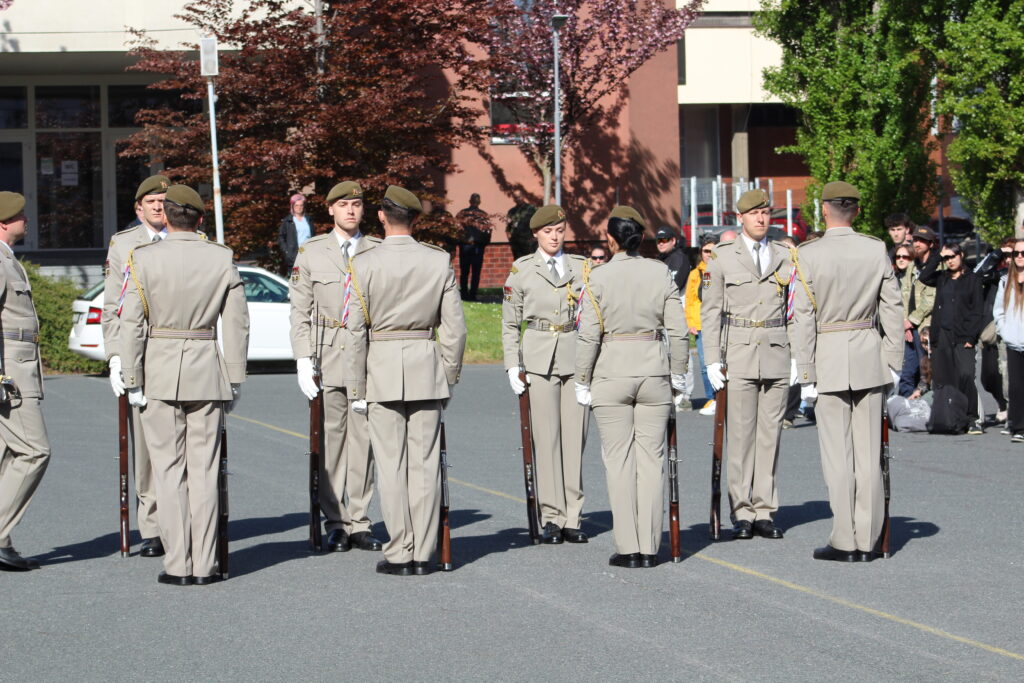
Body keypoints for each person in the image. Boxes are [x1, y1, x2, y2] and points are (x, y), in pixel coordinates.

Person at [121, 184, 250, 585]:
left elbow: (131, 323)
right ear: (200, 218)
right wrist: (234, 376)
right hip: (206, 368)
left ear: (167, 215)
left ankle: (178, 564)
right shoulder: (221, 257)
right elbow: (237, 322)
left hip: (158, 369)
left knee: (167, 471)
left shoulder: (143, 258)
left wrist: (131, 376)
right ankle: (205, 564)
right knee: (204, 471)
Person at [346, 185, 467, 576]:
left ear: (381, 217)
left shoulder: (363, 263)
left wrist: (356, 386)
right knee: (425, 465)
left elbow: (355, 331)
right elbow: (455, 329)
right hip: (425, 365)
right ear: (415, 219)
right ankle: (423, 551)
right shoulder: (437, 260)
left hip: (381, 366)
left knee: (390, 466)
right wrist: (447, 375)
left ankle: (400, 550)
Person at [792, 181, 903, 562]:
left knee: (837, 456)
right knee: (869, 454)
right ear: (855, 211)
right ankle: (869, 539)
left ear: (824, 210)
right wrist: (893, 359)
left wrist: (805, 371)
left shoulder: (809, 253)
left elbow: (803, 317)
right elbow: (892, 308)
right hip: (869, 353)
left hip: (828, 356)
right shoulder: (874, 249)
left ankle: (845, 538)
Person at [574, 205, 688, 569]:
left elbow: (589, 335)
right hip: (653, 369)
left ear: (611, 239)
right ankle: (650, 546)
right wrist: (679, 373)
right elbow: (679, 330)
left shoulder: (598, 276)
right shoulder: (659, 271)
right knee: (651, 460)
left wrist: (581, 379)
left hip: (612, 370)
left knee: (618, 460)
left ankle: (628, 546)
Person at [288, 181, 384, 553]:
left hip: (367, 357)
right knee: (329, 443)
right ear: (330, 209)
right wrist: (302, 358)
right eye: (343, 204)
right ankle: (335, 521)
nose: (350, 210)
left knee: (364, 442)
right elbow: (300, 311)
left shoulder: (378, 249)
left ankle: (360, 520)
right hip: (326, 354)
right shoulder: (312, 252)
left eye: (356, 204)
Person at [701, 189, 795, 541]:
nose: (761, 218)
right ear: (740, 218)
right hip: (738, 352)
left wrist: (798, 355)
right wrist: (712, 359)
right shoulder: (723, 256)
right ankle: (741, 510)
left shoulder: (784, 255)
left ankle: (764, 509)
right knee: (740, 436)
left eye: (765, 212)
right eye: (754, 213)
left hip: (776, 350)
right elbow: (711, 312)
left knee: (770, 436)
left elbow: (795, 309)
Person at [502, 204, 590, 544]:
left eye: (559, 231)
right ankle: (552, 516)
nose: (554, 237)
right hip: (539, 359)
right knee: (547, 438)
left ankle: (573, 516)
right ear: (536, 234)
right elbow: (510, 324)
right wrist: (513, 364)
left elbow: (594, 317)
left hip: (575, 355)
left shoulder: (582, 267)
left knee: (574, 438)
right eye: (548, 231)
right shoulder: (522, 270)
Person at [101, 174, 169, 558]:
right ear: (138, 209)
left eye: (164, 200)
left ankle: (183, 520)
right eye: (152, 201)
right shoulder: (124, 244)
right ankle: (153, 527)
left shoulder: (188, 239)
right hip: (140, 353)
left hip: (178, 350)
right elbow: (114, 304)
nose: (159, 206)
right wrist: (116, 356)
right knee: (144, 448)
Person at [0, 192, 50, 571]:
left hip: (17, 366)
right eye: (20, 216)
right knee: (34, 451)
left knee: (6, 456)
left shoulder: (7, 258)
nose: (26, 221)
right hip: (10, 372)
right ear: (4, 222)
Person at [919, 242, 985, 434]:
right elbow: (924, 276)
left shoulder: (972, 279)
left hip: (963, 335)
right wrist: (938, 257)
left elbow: (977, 310)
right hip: (942, 335)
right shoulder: (942, 278)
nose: (950, 261)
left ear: (961, 255)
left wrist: (971, 336)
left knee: (965, 374)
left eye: (953, 256)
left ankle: (972, 418)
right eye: (947, 258)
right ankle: (949, 417)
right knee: (943, 378)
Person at [975, 238, 1012, 425]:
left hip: (1014, 330)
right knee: (988, 376)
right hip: (991, 329)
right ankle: (1002, 403)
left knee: (1010, 373)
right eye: (1008, 254)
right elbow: (977, 275)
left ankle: (1012, 408)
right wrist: (997, 254)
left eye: (1015, 254)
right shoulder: (995, 274)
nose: (1011, 258)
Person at [893, 243, 934, 397]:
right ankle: (907, 406)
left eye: (905, 257)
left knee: (925, 372)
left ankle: (924, 404)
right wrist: (904, 325)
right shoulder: (896, 278)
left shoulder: (918, 276)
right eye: (898, 256)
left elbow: (927, 301)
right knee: (907, 374)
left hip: (920, 327)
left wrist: (910, 322)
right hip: (905, 328)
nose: (901, 259)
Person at [993, 239, 1024, 443]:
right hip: (1013, 342)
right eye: (1016, 253)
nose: (1019, 257)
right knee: (1015, 388)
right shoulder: (1005, 281)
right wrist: (1005, 332)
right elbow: (999, 310)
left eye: (1023, 253)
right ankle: (1019, 426)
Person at [683, 237, 717, 415]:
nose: (709, 254)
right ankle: (711, 398)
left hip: (719, 322)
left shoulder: (722, 270)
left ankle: (724, 398)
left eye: (712, 251)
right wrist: (690, 322)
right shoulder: (695, 274)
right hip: (701, 324)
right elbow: (689, 300)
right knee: (705, 364)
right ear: (701, 253)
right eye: (706, 251)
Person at [456, 193, 492, 301]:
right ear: (479, 202)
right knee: (476, 272)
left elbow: (457, 229)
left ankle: (464, 294)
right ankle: (473, 295)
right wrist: (484, 244)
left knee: (464, 272)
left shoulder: (462, 213)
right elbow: (488, 232)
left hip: (465, 246)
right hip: (478, 246)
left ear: (470, 201)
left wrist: (460, 242)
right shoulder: (483, 215)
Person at [278, 193, 314, 270]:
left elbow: (313, 236)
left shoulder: (308, 219)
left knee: (308, 275)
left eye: (301, 205)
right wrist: (287, 251)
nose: (299, 208)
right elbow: (281, 237)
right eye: (296, 205)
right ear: (292, 207)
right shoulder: (288, 221)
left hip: (308, 253)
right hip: (294, 255)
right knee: (296, 276)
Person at [653, 226, 688, 292]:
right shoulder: (659, 260)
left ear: (673, 241)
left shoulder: (679, 259)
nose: (661, 243)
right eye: (658, 240)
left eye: (664, 240)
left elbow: (675, 287)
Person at [505, 193, 537, 260]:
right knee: (518, 262)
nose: (517, 199)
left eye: (519, 197)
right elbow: (508, 227)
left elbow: (538, 223)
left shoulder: (531, 209)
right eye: (515, 197)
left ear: (523, 196)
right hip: (516, 243)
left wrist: (535, 238)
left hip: (529, 242)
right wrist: (510, 238)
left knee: (530, 262)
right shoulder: (512, 211)